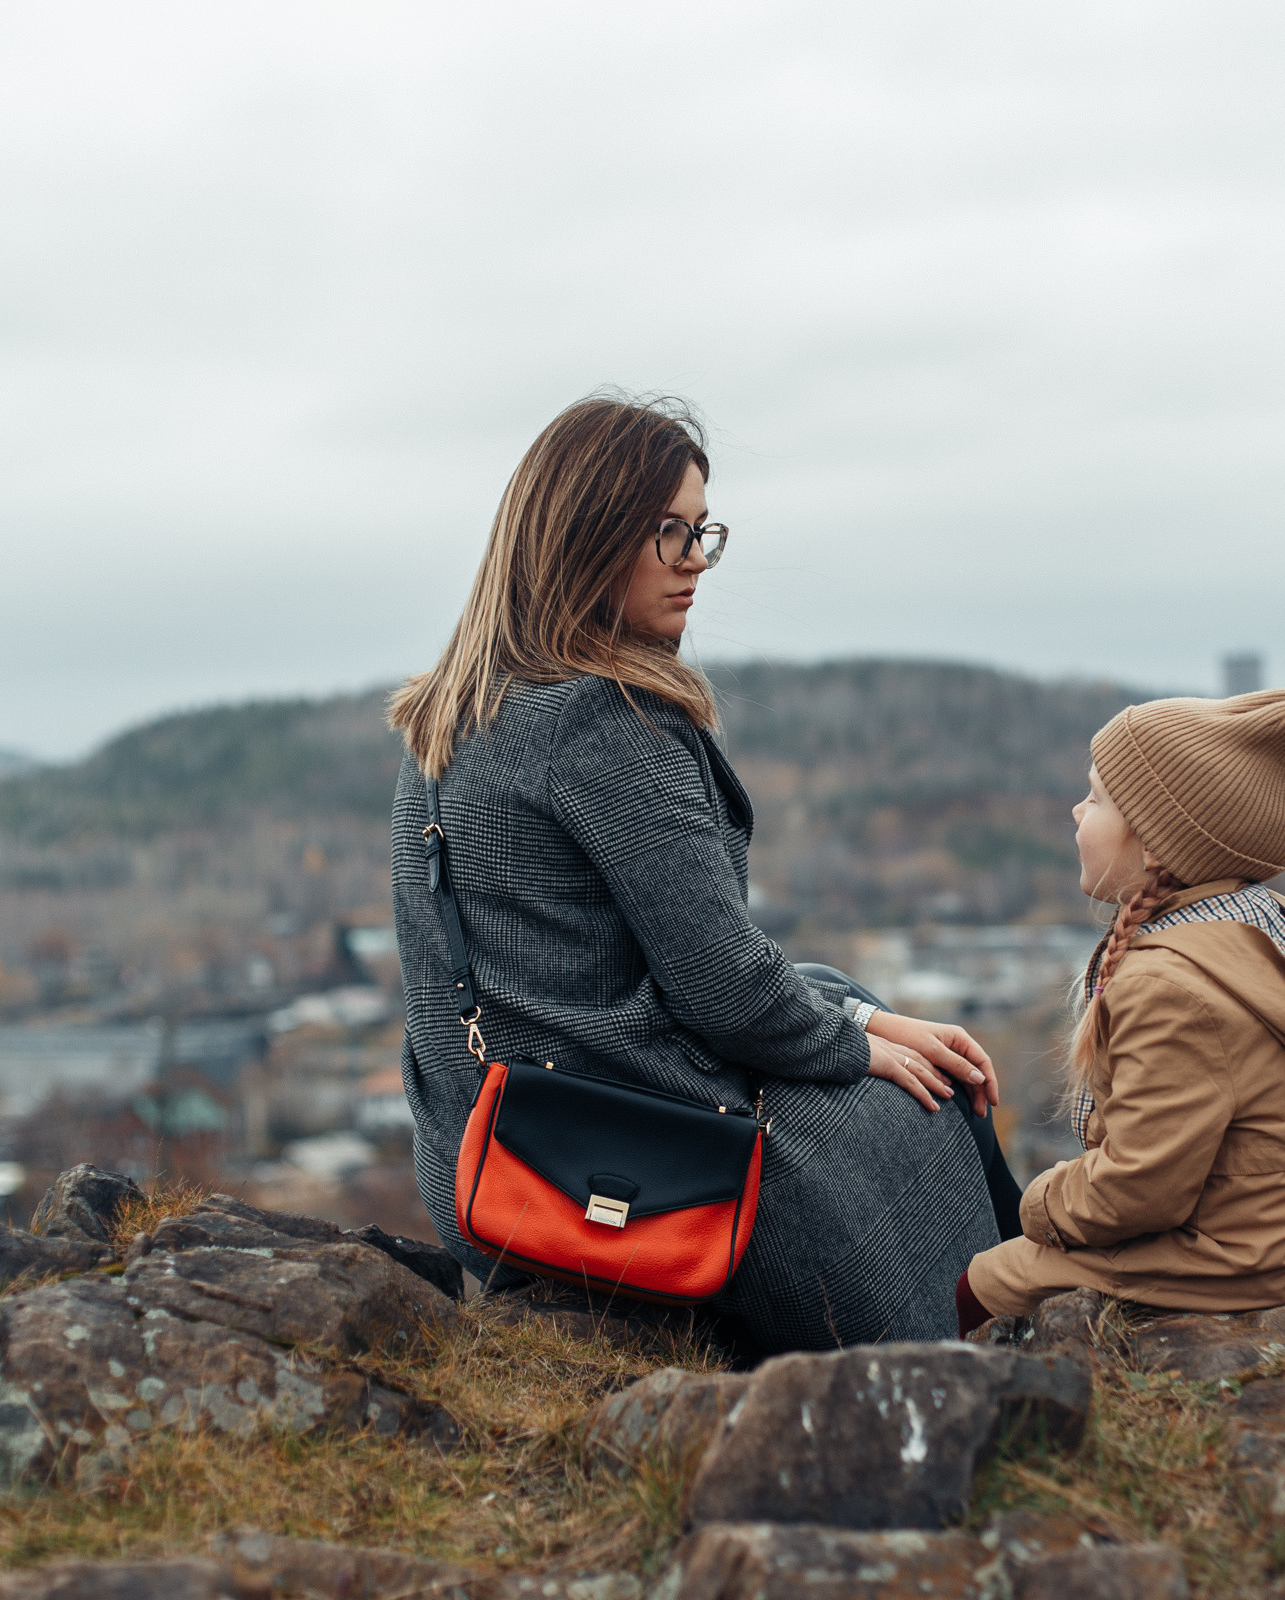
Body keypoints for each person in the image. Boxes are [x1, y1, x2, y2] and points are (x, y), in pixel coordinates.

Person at [385, 393, 1020, 1351]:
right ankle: (984, 1346)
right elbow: (722, 988)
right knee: (912, 1106)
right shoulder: (604, 723)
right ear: (588, 536)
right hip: (613, 1163)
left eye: (701, 533)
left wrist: (860, 1016)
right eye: (666, 534)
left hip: (478, 1158)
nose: (693, 563)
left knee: (845, 999)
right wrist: (856, 1054)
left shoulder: (454, 713)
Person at [957, 688, 1285, 1333]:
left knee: (977, 1286)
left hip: (1243, 1269)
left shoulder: (1172, 989)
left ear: (1157, 844)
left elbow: (1138, 1189)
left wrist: (1038, 1204)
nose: (1076, 812)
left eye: (1098, 798)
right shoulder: (1265, 928)